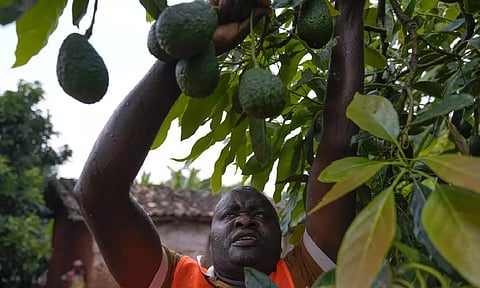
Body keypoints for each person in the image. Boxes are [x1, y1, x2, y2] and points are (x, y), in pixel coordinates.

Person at [73, 0, 356, 287]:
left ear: (281, 238)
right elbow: (99, 195)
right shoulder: (177, 280)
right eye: (230, 214)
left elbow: (339, 143)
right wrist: (185, 54)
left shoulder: (305, 275)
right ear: (210, 239)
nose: (245, 221)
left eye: (259, 214)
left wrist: (349, 8)